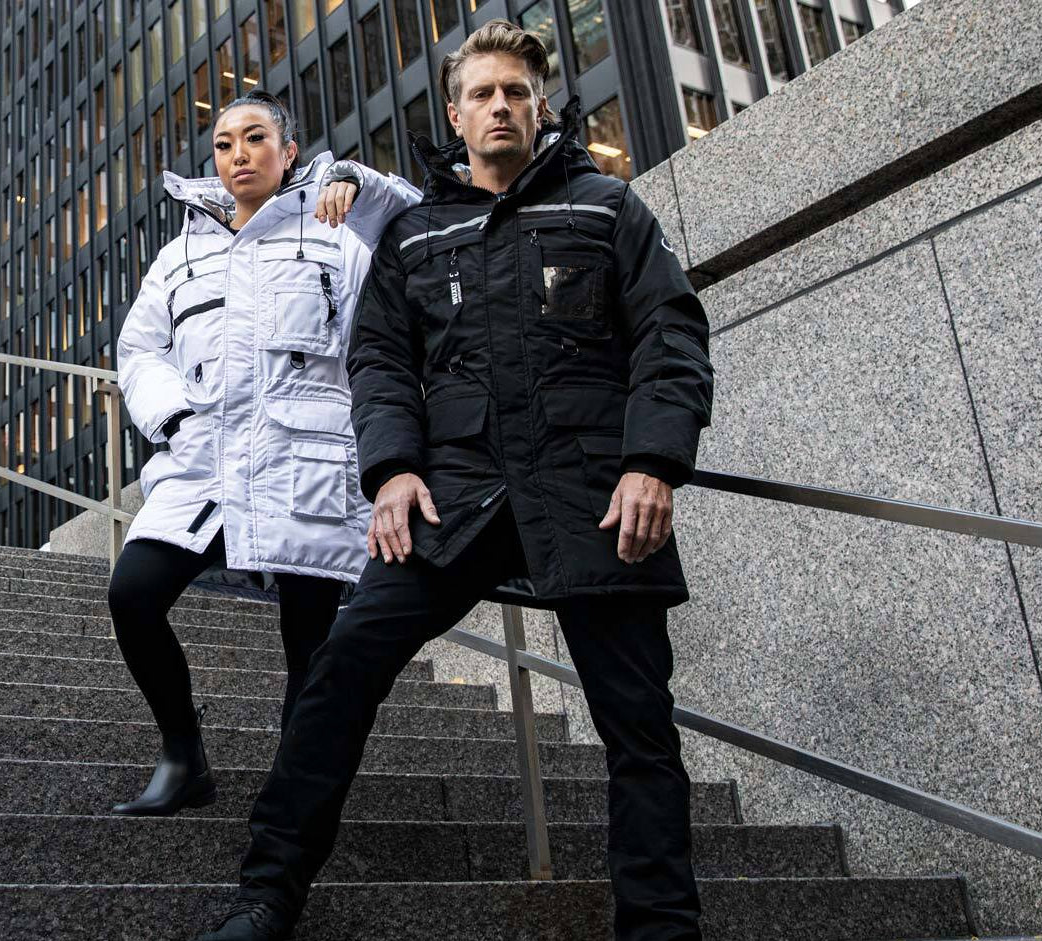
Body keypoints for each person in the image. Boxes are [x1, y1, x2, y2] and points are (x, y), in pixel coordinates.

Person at [196, 21, 716, 941]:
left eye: (516, 91)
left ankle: (661, 928)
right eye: (483, 94)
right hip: (455, 497)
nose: (501, 107)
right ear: (455, 112)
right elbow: (382, 361)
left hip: (593, 496)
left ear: (541, 104)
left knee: (639, 725)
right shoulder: (417, 230)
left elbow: (671, 339)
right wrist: (391, 471)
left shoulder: (608, 207)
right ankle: (267, 893)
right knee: (338, 670)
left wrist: (652, 463)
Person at [107, 90, 422, 816]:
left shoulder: (333, 227)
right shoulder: (182, 250)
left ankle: (294, 787)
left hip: (303, 461)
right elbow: (138, 346)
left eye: (255, 138)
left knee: (308, 635)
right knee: (134, 593)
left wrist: (359, 183)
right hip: (204, 462)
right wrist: (173, 416)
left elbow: (414, 230)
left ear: (288, 151)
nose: (238, 153)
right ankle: (183, 754)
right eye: (223, 143)